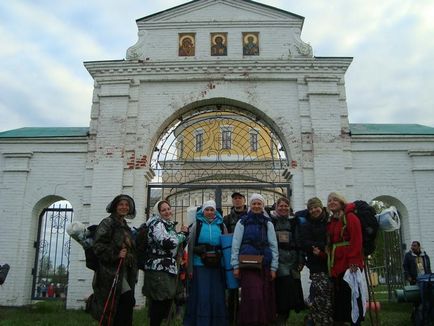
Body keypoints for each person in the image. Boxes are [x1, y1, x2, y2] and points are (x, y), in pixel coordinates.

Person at [89, 194, 138, 326]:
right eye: (121, 205)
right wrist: (116, 254)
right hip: (111, 272)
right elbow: (98, 246)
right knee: (126, 300)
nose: (124, 207)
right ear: (115, 206)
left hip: (125, 271)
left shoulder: (125, 225)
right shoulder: (108, 223)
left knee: (123, 304)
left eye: (126, 205)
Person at [231, 193, 278, 326]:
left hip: (264, 264)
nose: (256, 206)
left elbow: (273, 245)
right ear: (250, 205)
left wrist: (274, 267)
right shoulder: (243, 221)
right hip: (248, 264)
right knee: (253, 296)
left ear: (263, 206)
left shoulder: (268, 223)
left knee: (264, 296)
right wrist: (235, 265)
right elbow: (236, 244)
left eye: (259, 204)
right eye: (254, 204)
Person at [143, 200, 188, 326]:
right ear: (158, 212)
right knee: (159, 303)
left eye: (168, 208)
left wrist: (183, 236)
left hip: (167, 268)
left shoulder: (167, 225)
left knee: (165, 303)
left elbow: (177, 245)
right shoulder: (156, 224)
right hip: (158, 268)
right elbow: (168, 243)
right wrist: (182, 234)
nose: (167, 212)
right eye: (163, 210)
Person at [184, 200, 228, 326]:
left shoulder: (221, 225)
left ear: (215, 211)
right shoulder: (196, 226)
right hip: (200, 265)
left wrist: (225, 265)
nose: (209, 212)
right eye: (207, 210)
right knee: (202, 295)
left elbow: (225, 246)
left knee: (217, 296)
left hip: (217, 265)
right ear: (203, 211)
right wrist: (190, 269)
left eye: (211, 210)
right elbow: (191, 246)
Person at [327, 192, 365, 326]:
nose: (331, 202)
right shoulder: (332, 220)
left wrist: (354, 261)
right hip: (337, 265)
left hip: (349, 265)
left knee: (352, 297)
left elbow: (357, 239)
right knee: (341, 299)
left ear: (341, 202)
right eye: (329, 200)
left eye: (335, 200)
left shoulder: (350, 217)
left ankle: (356, 323)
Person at [298, 197, 333, 326]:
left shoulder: (330, 220)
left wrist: (322, 246)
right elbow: (305, 242)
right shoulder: (307, 224)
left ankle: (319, 319)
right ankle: (318, 320)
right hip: (316, 265)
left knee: (329, 294)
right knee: (320, 295)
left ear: (321, 207)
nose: (313, 210)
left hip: (332, 262)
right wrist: (322, 246)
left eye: (315, 207)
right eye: (311, 208)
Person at [271, 197, 305, 325]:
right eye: (281, 206)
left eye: (286, 206)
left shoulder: (294, 222)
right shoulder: (271, 221)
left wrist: (301, 259)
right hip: (278, 259)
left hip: (292, 260)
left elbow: (299, 240)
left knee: (291, 292)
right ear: (276, 207)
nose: (283, 208)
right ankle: (279, 317)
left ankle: (284, 317)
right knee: (281, 290)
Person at [223, 192, 247, 325]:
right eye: (235, 199)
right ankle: (232, 319)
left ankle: (245, 319)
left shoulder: (250, 217)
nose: (237, 201)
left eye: (240, 198)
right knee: (232, 290)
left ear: (244, 200)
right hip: (231, 256)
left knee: (247, 289)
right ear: (232, 201)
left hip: (248, 255)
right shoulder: (227, 219)